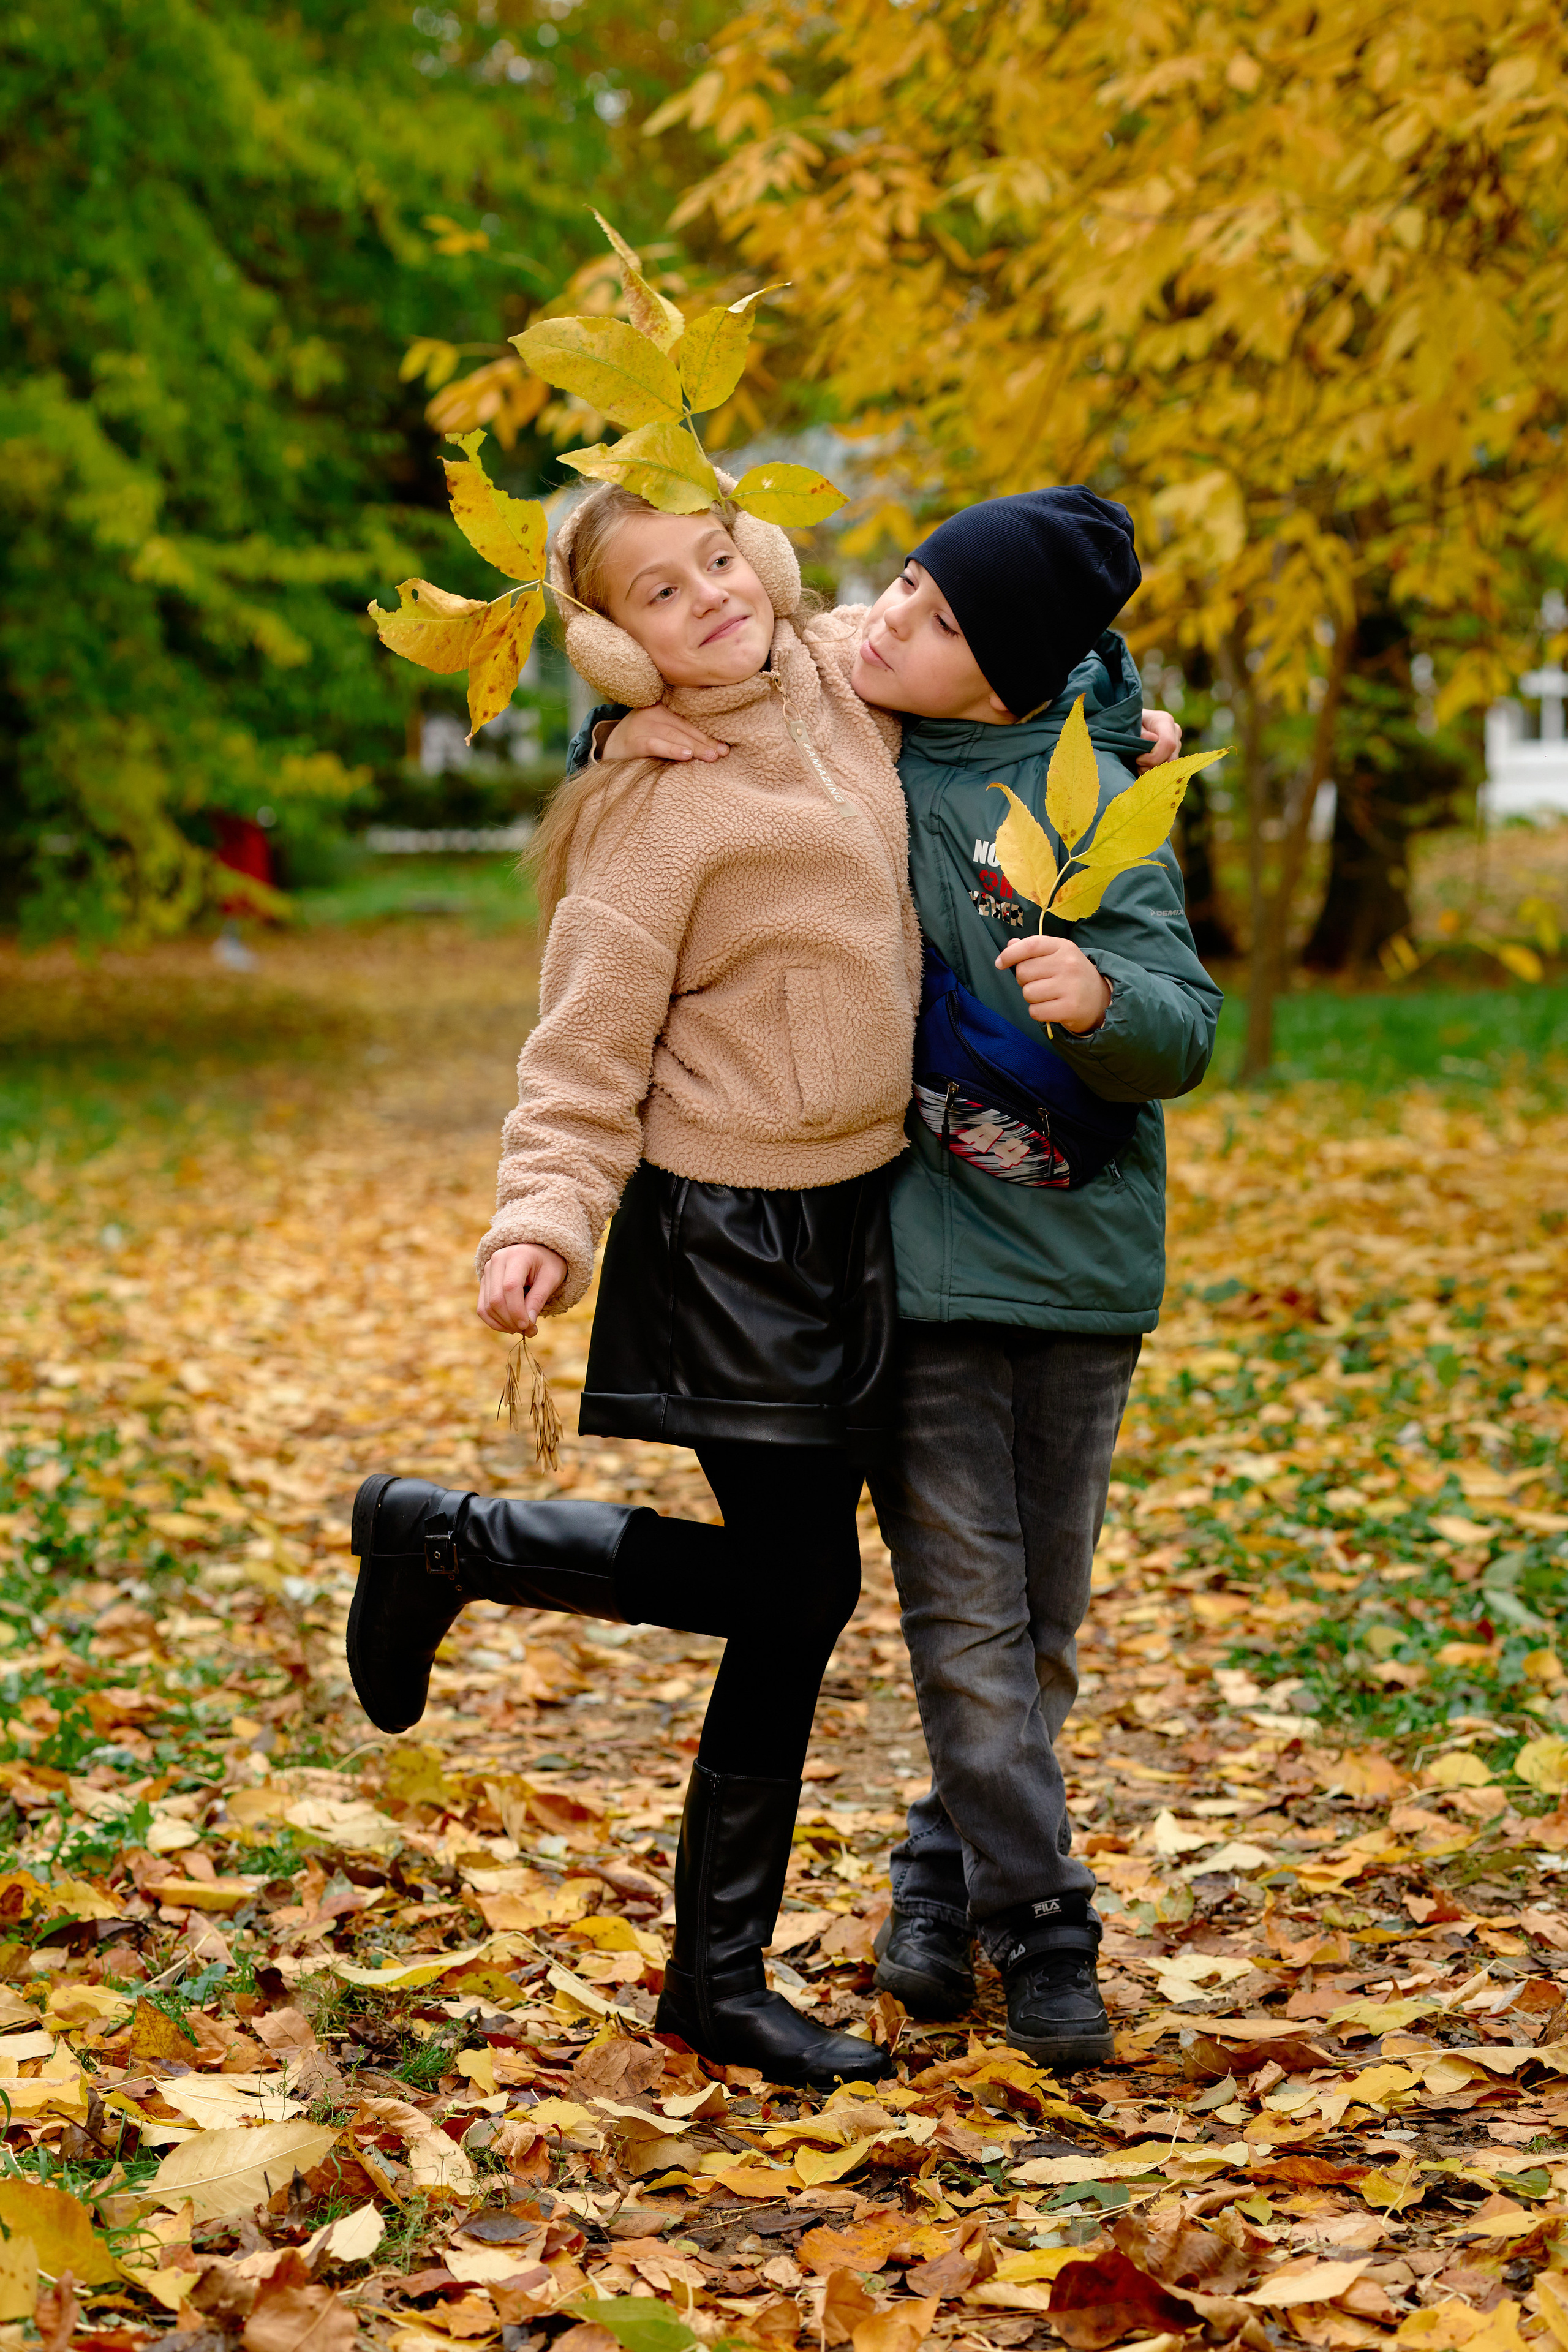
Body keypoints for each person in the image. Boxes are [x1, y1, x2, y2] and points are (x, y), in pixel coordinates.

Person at [582, 489, 1221, 2071]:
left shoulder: (1095, 800)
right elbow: (725, 668)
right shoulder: (865, 737)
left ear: (1004, 677)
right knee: (964, 1627)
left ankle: (937, 1886)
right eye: (907, 585)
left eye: (938, 624)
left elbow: (1183, 1024)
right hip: (916, 1275)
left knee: (1041, 1634)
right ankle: (1047, 1926)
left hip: (1081, 1275)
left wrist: (1102, 1000)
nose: (890, 623)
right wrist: (614, 732)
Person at [346, 478, 924, 2090]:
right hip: (731, 1233)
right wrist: (541, 1217)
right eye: (659, 593)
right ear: (612, 644)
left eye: (717, 560)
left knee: (798, 1595)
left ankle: (443, 1539)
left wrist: (1123, 733)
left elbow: (974, 659)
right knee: (800, 1592)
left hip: (871, 1215)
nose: (709, 598)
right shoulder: (652, 810)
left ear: (763, 559)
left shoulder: (838, 677)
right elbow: (585, 1046)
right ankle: (715, 1984)